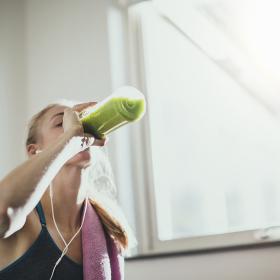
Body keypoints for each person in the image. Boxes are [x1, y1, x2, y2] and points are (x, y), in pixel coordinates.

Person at [0, 101, 131, 279]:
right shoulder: (24, 220)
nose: (78, 128)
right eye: (62, 123)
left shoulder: (107, 230)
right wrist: (69, 140)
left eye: (80, 121)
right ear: (33, 151)